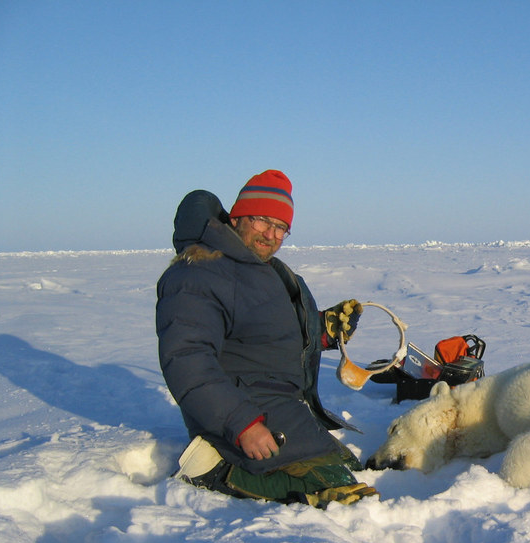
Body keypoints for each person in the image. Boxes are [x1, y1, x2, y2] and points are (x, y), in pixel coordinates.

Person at [156, 170, 377, 507]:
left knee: (347, 466)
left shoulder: (265, 270)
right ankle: (212, 469)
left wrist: (324, 330)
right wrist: (241, 423)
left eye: (281, 227)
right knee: (337, 491)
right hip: (242, 415)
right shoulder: (199, 272)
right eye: (262, 221)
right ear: (238, 216)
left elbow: (265, 335)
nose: (271, 234)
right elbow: (187, 359)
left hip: (281, 407)